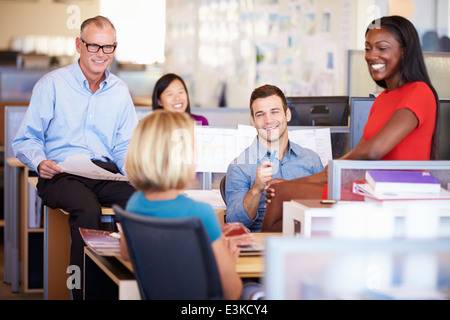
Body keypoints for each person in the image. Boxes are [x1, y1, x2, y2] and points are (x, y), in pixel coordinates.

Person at [262, 15, 440, 232]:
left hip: (394, 196)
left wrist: (337, 165)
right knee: (280, 193)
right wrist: (293, 181)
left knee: (282, 196)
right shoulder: (383, 98)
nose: (371, 55)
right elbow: (355, 161)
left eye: (381, 48)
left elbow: (373, 150)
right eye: (368, 48)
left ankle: (269, 261)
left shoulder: (419, 92)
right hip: (369, 189)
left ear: (404, 51)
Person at [12, 16, 138, 299]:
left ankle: (133, 285)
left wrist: (132, 171)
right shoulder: (52, 84)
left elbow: (124, 145)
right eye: (94, 46)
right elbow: (25, 139)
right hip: (61, 173)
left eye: (108, 48)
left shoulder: (119, 91)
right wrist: (40, 161)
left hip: (104, 173)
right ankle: (81, 292)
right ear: (78, 45)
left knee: (141, 203)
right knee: (87, 210)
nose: (101, 54)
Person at [125, 110, 242, 300]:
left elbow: (127, 252)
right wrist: (229, 260)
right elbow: (232, 292)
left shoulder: (135, 203)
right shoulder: (200, 214)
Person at [225, 84, 324, 232]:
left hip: (307, 242)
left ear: (287, 115)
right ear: (253, 121)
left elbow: (328, 205)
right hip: (263, 247)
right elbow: (234, 224)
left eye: (274, 112)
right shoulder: (239, 166)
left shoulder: (310, 159)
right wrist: (256, 189)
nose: (268, 120)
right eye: (260, 114)